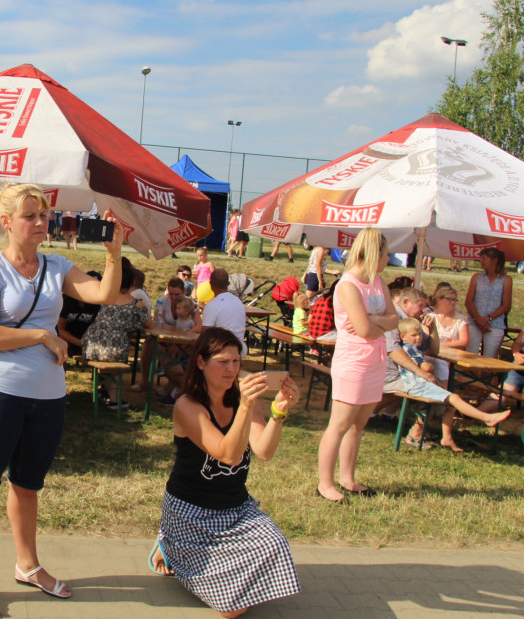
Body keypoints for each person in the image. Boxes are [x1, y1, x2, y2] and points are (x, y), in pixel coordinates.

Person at [0, 183, 124, 618]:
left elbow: (103, 296)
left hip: (48, 396)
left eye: (44, 215)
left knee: (27, 486)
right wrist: (41, 334)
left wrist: (113, 254)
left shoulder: (57, 265)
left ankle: (27, 564)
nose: (40, 223)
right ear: (6, 221)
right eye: (30, 216)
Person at [152, 327, 302, 617]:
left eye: (236, 361)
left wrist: (279, 413)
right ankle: (169, 544)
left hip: (236, 508)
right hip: (190, 511)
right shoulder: (188, 406)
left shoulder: (244, 401)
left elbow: (264, 451)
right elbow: (228, 455)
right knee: (232, 610)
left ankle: (205, 562)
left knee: (275, 544)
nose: (232, 369)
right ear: (201, 363)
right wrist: (245, 405)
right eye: (223, 361)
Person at [316, 228, 395, 503]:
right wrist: (377, 323)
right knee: (339, 424)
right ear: (376, 253)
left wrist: (376, 323)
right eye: (387, 254)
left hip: (375, 361)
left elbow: (394, 319)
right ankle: (325, 483)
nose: (388, 259)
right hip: (353, 362)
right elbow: (363, 329)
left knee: (358, 425)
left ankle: (347, 478)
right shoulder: (348, 286)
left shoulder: (378, 282)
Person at [394, 317, 510, 451]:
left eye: (420, 334)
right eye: (414, 335)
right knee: (454, 398)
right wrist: (430, 366)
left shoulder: (414, 346)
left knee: (450, 406)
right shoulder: (410, 348)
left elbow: (434, 349)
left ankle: (446, 438)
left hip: (422, 384)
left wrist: (433, 330)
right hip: (416, 385)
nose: (419, 337)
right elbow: (425, 367)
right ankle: (486, 418)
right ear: (403, 336)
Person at [82, 264, 149, 409]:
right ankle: (114, 400)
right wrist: (134, 322)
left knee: (109, 362)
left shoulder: (105, 298)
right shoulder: (137, 303)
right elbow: (147, 322)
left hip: (92, 345)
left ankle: (101, 390)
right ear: (132, 283)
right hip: (114, 348)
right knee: (116, 367)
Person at [464, 247, 512, 359]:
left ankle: (486, 377)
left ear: (494, 261)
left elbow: (506, 305)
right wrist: (479, 320)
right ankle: (470, 376)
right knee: (469, 356)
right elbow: (468, 302)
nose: (481, 261)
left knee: (489, 359)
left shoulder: (506, 280)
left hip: (495, 324)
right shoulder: (476, 277)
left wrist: (487, 319)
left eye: (484, 259)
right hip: (475, 322)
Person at [201, 269, 246, 353]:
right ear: (228, 284)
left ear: (210, 284)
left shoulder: (213, 304)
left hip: (221, 348)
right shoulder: (238, 302)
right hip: (240, 347)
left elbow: (205, 334)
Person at [431, 285, 468, 350]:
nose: (453, 302)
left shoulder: (460, 319)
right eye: (449, 299)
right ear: (439, 300)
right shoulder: (430, 317)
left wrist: (439, 345)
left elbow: (464, 342)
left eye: (454, 300)